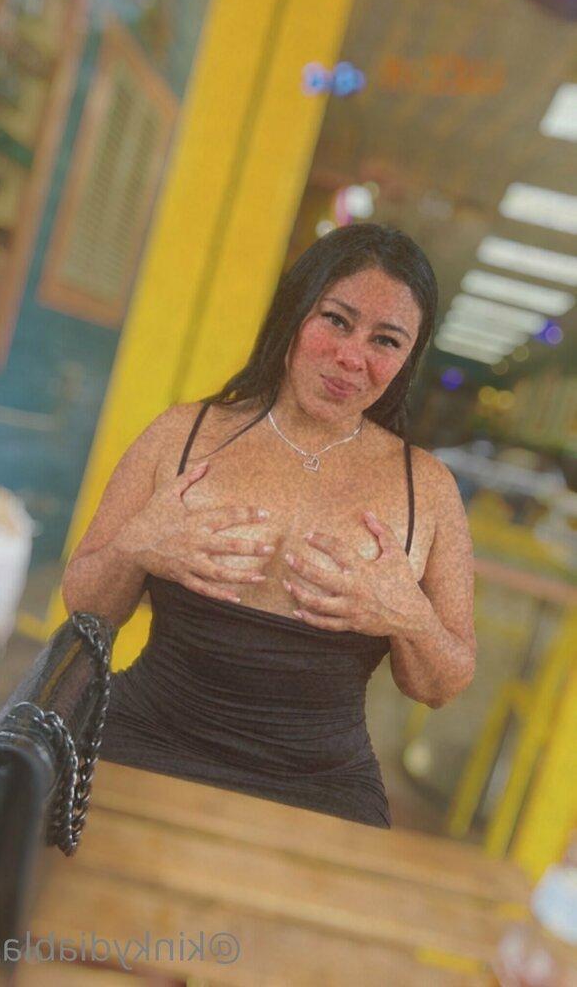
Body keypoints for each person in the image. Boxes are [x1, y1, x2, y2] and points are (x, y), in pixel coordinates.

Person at [61, 223, 475, 829]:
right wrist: (136, 547)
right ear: (294, 312)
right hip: (146, 736)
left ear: (407, 358)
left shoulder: (428, 489)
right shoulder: (182, 434)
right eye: (335, 320)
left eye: (386, 340)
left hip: (320, 783)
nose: (352, 357)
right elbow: (87, 606)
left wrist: (408, 615)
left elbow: (440, 686)